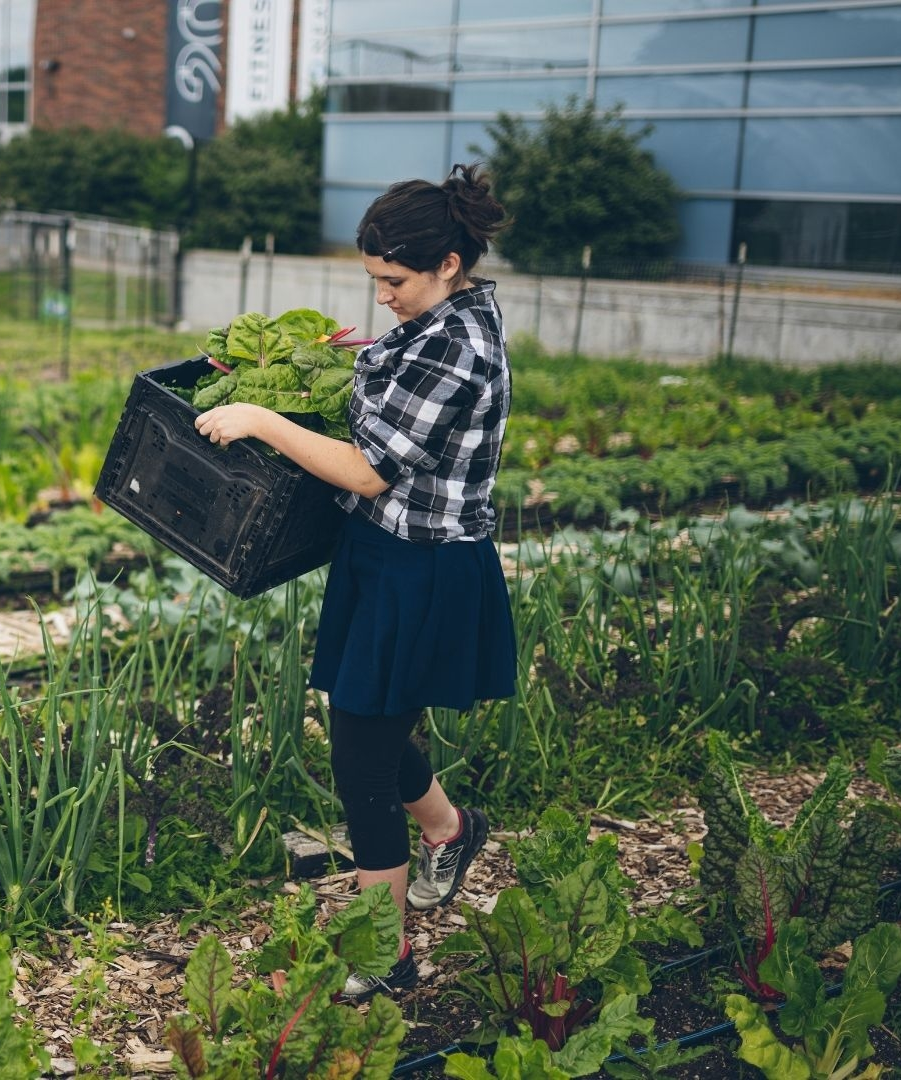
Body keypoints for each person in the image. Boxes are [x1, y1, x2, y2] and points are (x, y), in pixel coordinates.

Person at [193, 163, 515, 1000]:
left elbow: (371, 471)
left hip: (428, 569)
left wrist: (262, 416)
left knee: (362, 763)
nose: (383, 297)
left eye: (394, 281)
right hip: (382, 555)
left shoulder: (459, 344)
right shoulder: (439, 317)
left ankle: (387, 955)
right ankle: (449, 830)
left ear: (448, 264)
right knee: (361, 728)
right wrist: (340, 357)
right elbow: (394, 373)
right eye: (374, 279)